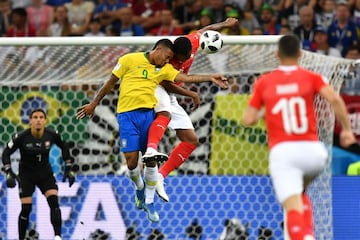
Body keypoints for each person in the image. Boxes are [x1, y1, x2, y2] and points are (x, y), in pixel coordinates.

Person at [76, 38, 227, 223]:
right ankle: (139, 188)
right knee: (131, 163)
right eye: (167, 57)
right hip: (126, 117)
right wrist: (94, 103)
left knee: (150, 159)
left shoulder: (163, 69)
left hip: (147, 116)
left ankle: (149, 202)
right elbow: (110, 83)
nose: (167, 61)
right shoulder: (128, 60)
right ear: (158, 49)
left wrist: (210, 77)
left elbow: (185, 78)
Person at [241, 34, 356, 240]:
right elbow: (335, 99)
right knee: (300, 192)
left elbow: (247, 119)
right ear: (301, 54)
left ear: (277, 54)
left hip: (284, 152)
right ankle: (308, 235)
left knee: (291, 204)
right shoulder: (312, 77)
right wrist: (346, 130)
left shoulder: (265, 82)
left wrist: (264, 110)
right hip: (314, 152)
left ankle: (301, 236)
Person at [141, 18, 238, 202]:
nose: (185, 60)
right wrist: (191, 93)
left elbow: (204, 29)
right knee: (164, 114)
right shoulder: (167, 62)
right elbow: (169, 85)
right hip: (156, 89)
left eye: (187, 57)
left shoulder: (192, 42)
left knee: (191, 140)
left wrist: (224, 24)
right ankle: (151, 150)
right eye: (182, 58)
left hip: (172, 95)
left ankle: (160, 176)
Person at [1, 108, 76, 240]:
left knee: (54, 201)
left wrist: (68, 167)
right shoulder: (22, 137)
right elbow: (6, 153)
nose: (38, 120)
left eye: (41, 117)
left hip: (45, 173)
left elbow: (64, 146)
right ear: (30, 121)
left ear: (45, 121)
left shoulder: (52, 135)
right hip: (26, 175)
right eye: (35, 117)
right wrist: (9, 172)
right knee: (26, 208)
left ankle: (58, 236)